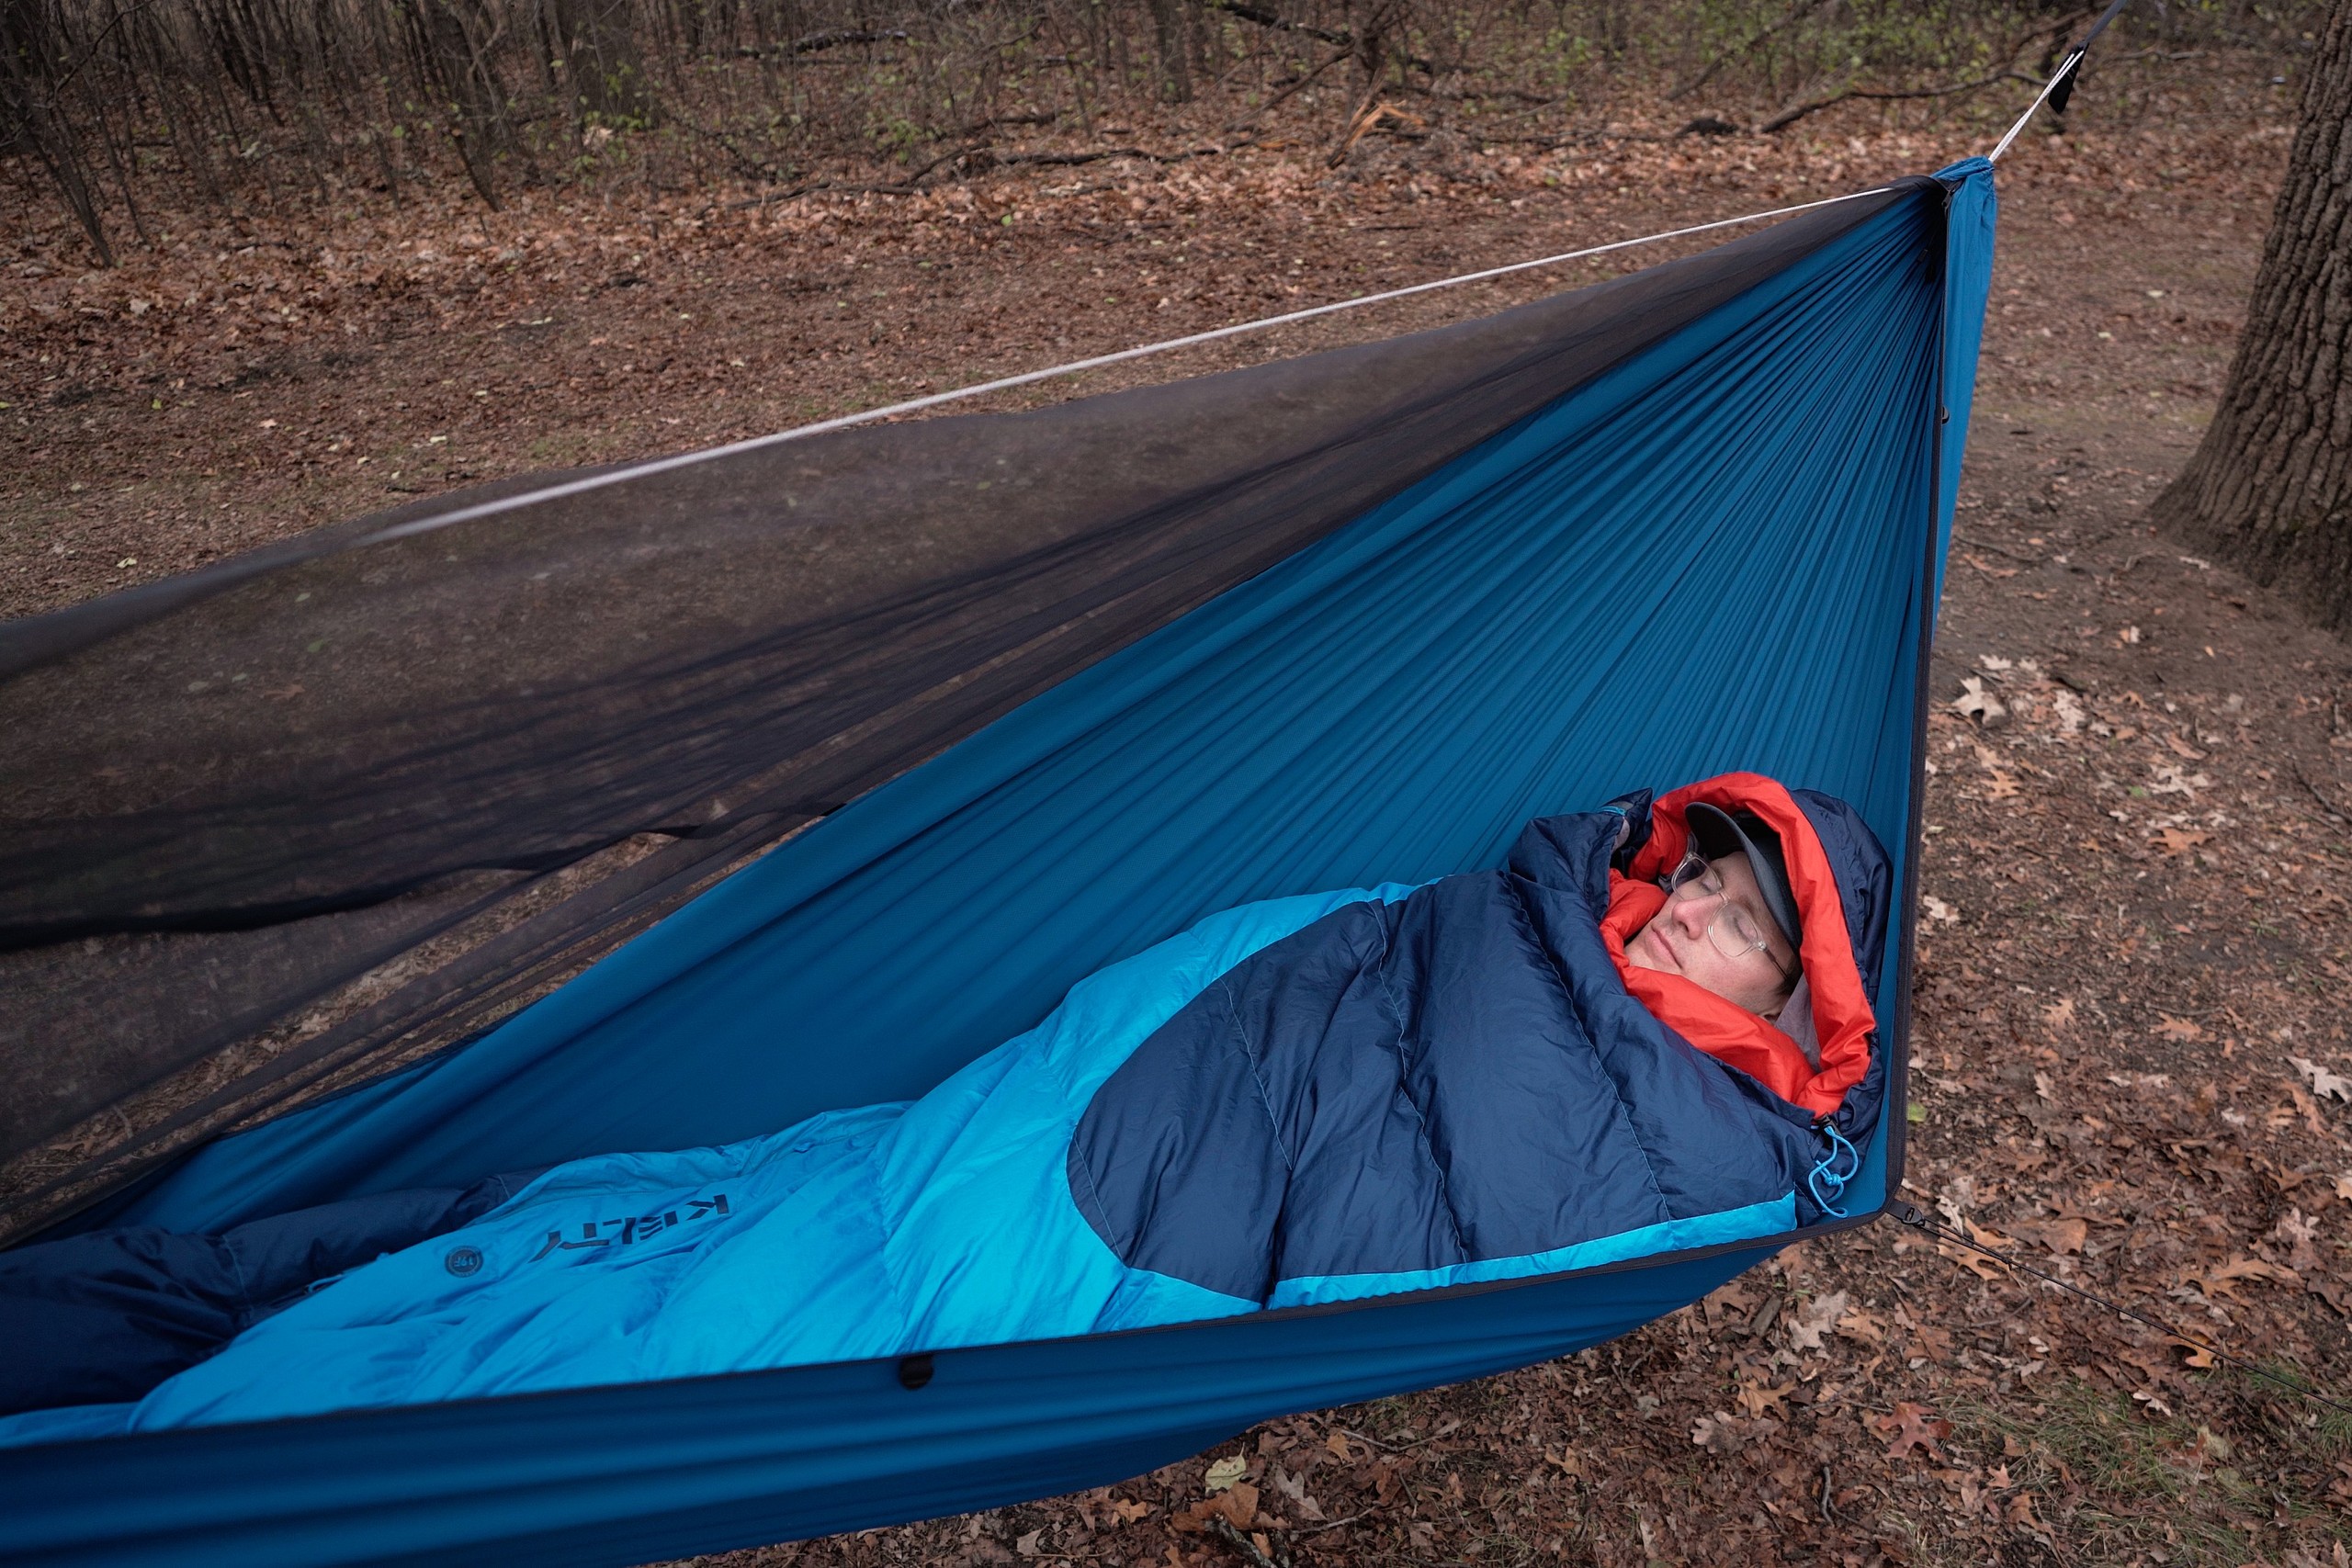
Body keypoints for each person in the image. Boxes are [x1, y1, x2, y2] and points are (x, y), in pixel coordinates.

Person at [0, 773, 1887, 1445]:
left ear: (1799, 1002)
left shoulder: (1689, 1159)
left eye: (1746, 918)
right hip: (959, 1143)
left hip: (1016, 1257)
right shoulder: (1490, 915)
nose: (1700, 901)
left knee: (522, 1348)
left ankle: (145, 1466)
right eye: (1708, 869)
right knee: (535, 1220)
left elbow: (1436, 1206)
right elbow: (1282, 974)